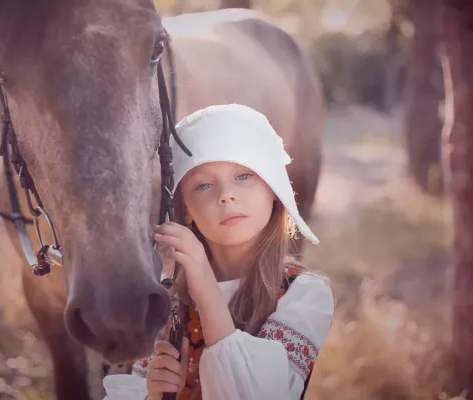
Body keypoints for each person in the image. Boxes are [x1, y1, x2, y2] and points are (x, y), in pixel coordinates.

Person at [102, 104, 334, 400]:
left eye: (244, 176)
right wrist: (154, 395)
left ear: (273, 188)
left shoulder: (304, 293)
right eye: (204, 185)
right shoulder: (168, 297)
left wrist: (202, 279)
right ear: (185, 211)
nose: (226, 195)